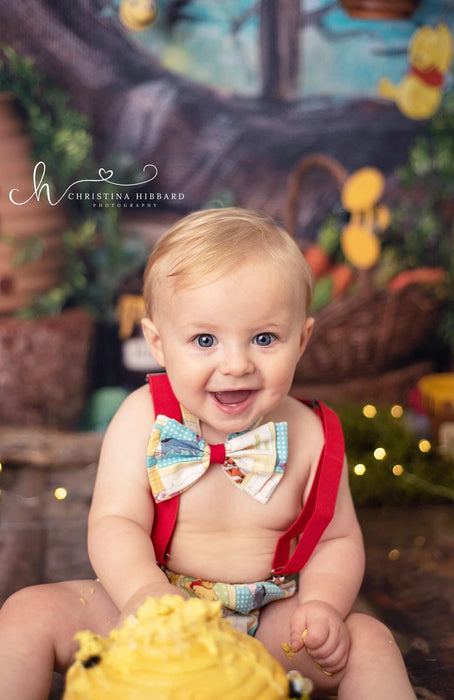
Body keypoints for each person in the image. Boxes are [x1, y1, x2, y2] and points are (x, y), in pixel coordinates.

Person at [0, 208, 416, 699]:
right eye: (204, 340)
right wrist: (143, 592)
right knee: (28, 611)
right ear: (158, 344)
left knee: (369, 640)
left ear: (302, 340)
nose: (236, 364)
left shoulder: (312, 435)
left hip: (267, 626)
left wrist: (323, 604)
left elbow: (337, 539)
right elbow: (115, 522)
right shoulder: (142, 418)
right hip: (154, 607)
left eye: (264, 338)